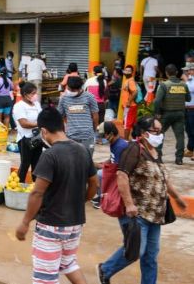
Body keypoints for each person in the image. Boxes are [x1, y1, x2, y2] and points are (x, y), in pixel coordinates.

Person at [97, 117, 188, 284]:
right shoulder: (133, 149)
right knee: (137, 250)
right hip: (137, 212)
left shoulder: (155, 152)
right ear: (145, 133)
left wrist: (177, 199)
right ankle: (106, 269)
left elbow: (164, 179)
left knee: (151, 256)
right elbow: (122, 175)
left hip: (155, 213)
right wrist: (130, 204)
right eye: (157, 131)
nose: (160, 134)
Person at [15, 107, 98, 284]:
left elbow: (37, 193)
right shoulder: (82, 150)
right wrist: (82, 200)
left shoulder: (50, 155)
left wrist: (24, 222)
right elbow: (94, 184)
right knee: (68, 263)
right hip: (75, 223)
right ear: (64, 125)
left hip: (51, 225)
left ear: (43, 131)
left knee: (45, 278)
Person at [153, 63, 190, 165]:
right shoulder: (183, 85)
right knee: (180, 136)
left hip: (166, 114)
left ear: (166, 73)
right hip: (180, 114)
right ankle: (179, 159)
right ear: (177, 72)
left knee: (160, 134)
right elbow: (188, 99)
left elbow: (157, 101)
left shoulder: (164, 85)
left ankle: (158, 157)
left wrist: (157, 113)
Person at [91, 121, 129, 208]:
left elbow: (116, 167)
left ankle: (103, 199)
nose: (103, 138)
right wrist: (102, 163)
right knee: (95, 168)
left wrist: (101, 166)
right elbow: (112, 157)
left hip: (121, 173)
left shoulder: (120, 146)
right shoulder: (114, 142)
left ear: (111, 134)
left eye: (104, 135)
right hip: (116, 168)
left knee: (100, 174)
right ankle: (101, 194)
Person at [57, 76, 99, 155]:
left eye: (73, 90)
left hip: (87, 136)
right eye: (69, 88)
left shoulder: (89, 97)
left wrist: (94, 131)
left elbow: (95, 116)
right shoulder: (63, 98)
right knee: (72, 160)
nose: (70, 91)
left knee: (87, 159)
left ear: (80, 88)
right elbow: (60, 116)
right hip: (71, 137)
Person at [12, 82, 43, 183]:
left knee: (37, 164)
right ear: (25, 94)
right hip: (25, 139)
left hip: (37, 138)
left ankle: (36, 185)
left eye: (36, 93)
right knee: (25, 163)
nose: (35, 95)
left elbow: (42, 116)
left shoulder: (37, 104)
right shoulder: (19, 106)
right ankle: (19, 184)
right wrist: (40, 123)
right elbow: (24, 123)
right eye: (33, 93)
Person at [121, 65, 138, 133]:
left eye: (129, 71)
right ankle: (135, 138)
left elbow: (135, 91)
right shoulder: (127, 80)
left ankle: (126, 141)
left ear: (132, 72)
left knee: (127, 125)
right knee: (133, 123)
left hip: (129, 106)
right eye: (126, 70)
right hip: (130, 106)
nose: (127, 72)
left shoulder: (130, 81)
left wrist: (128, 102)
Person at [184, 62, 194, 160]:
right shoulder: (189, 80)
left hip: (193, 109)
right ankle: (190, 149)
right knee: (189, 130)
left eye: (188, 70)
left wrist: (186, 80)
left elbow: (188, 89)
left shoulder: (189, 80)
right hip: (187, 109)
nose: (186, 72)